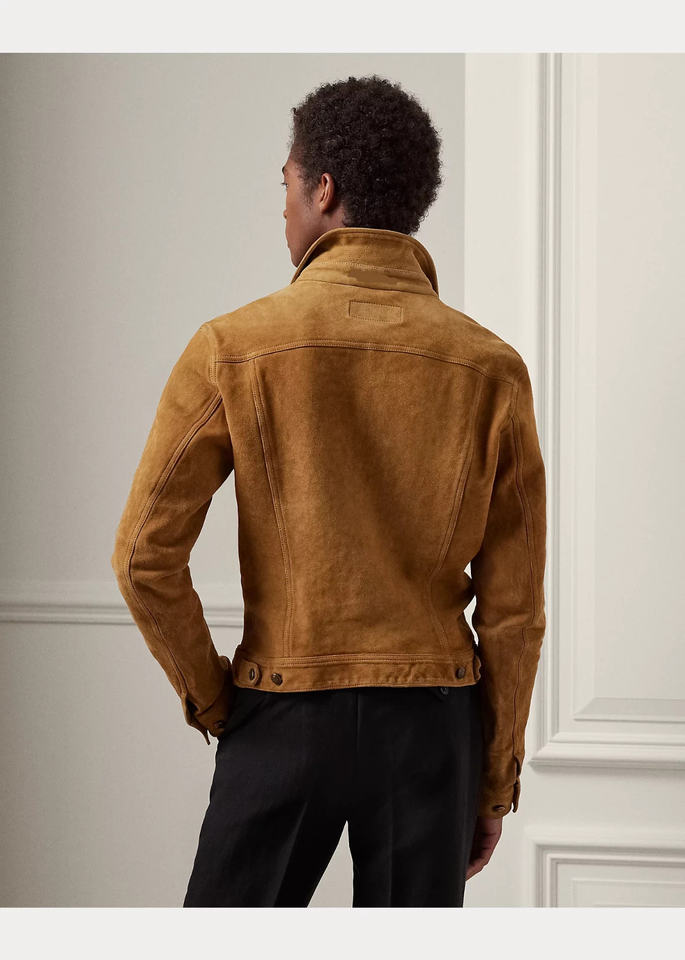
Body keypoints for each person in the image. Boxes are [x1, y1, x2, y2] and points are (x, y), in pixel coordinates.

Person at [111, 74, 547, 907]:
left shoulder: (233, 346)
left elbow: (141, 559)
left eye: (285, 183)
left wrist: (217, 701)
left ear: (322, 189)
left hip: (281, 712)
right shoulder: (491, 367)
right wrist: (493, 780)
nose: (281, 207)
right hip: (433, 725)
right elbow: (513, 609)